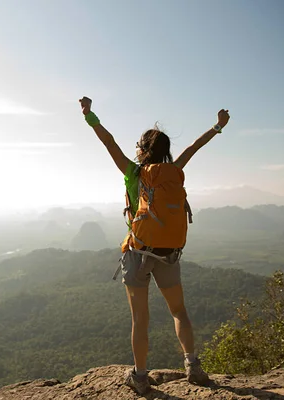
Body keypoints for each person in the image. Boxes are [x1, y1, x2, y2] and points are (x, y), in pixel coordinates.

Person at [79, 96, 230, 395]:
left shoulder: (133, 172)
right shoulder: (173, 170)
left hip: (138, 253)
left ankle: (140, 376)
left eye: (138, 144)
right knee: (179, 311)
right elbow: (192, 148)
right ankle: (193, 366)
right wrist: (217, 126)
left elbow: (108, 142)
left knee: (140, 319)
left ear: (143, 149)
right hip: (168, 254)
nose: (135, 148)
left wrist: (89, 115)